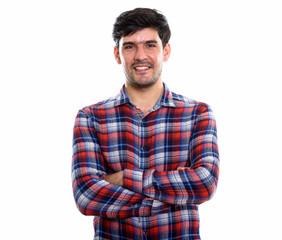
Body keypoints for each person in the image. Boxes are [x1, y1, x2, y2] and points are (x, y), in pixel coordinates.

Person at [71, 8, 219, 239]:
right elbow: (86, 196)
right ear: (117, 54)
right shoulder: (91, 117)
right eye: (130, 46)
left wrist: (122, 178)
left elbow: (205, 183)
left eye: (150, 45)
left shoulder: (197, 114)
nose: (141, 56)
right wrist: (172, 195)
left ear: (166, 51)